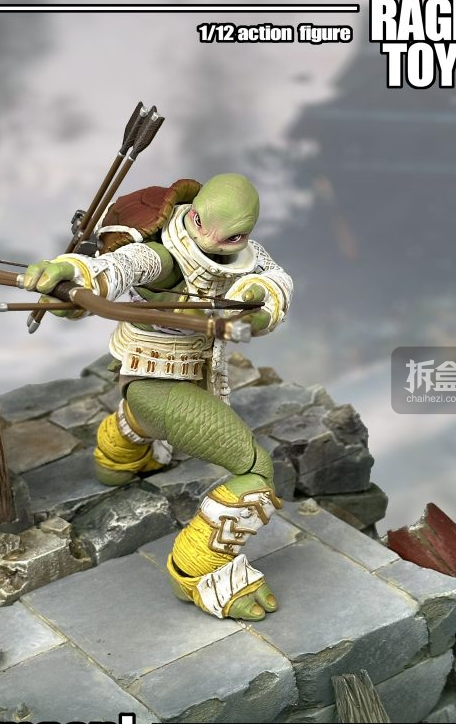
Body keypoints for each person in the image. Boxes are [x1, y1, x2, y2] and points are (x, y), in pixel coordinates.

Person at [24, 173, 293, 621]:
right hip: (153, 378)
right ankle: (198, 569)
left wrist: (259, 301)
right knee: (255, 470)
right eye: (200, 223)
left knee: (159, 420)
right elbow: (124, 266)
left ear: (245, 234)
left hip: (188, 378)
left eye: (231, 236)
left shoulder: (248, 258)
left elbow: (276, 280)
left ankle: (118, 451)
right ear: (192, 212)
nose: (208, 241)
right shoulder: (164, 255)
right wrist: (73, 273)